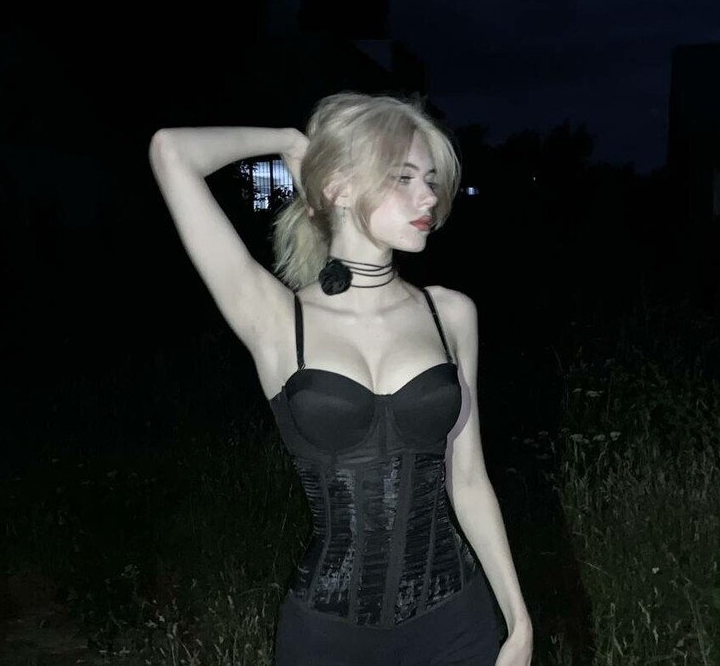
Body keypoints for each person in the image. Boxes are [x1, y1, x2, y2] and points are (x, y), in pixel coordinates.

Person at [148, 92, 533, 665]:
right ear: (340, 187)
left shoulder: (449, 314)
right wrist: (289, 142)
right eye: (403, 177)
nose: (429, 197)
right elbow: (170, 151)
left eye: (431, 180)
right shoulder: (279, 320)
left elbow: (469, 478)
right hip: (329, 638)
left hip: (456, 621)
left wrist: (519, 621)